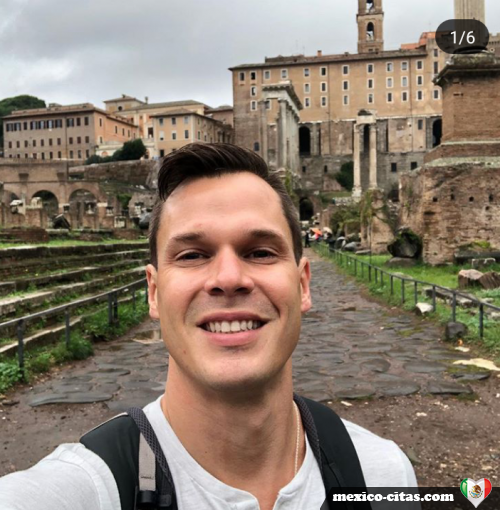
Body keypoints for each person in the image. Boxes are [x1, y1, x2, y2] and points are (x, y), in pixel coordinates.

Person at [0, 143, 416, 510]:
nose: (228, 278)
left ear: (303, 284)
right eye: (192, 255)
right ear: (153, 293)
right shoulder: (81, 490)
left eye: (260, 252)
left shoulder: (383, 477)